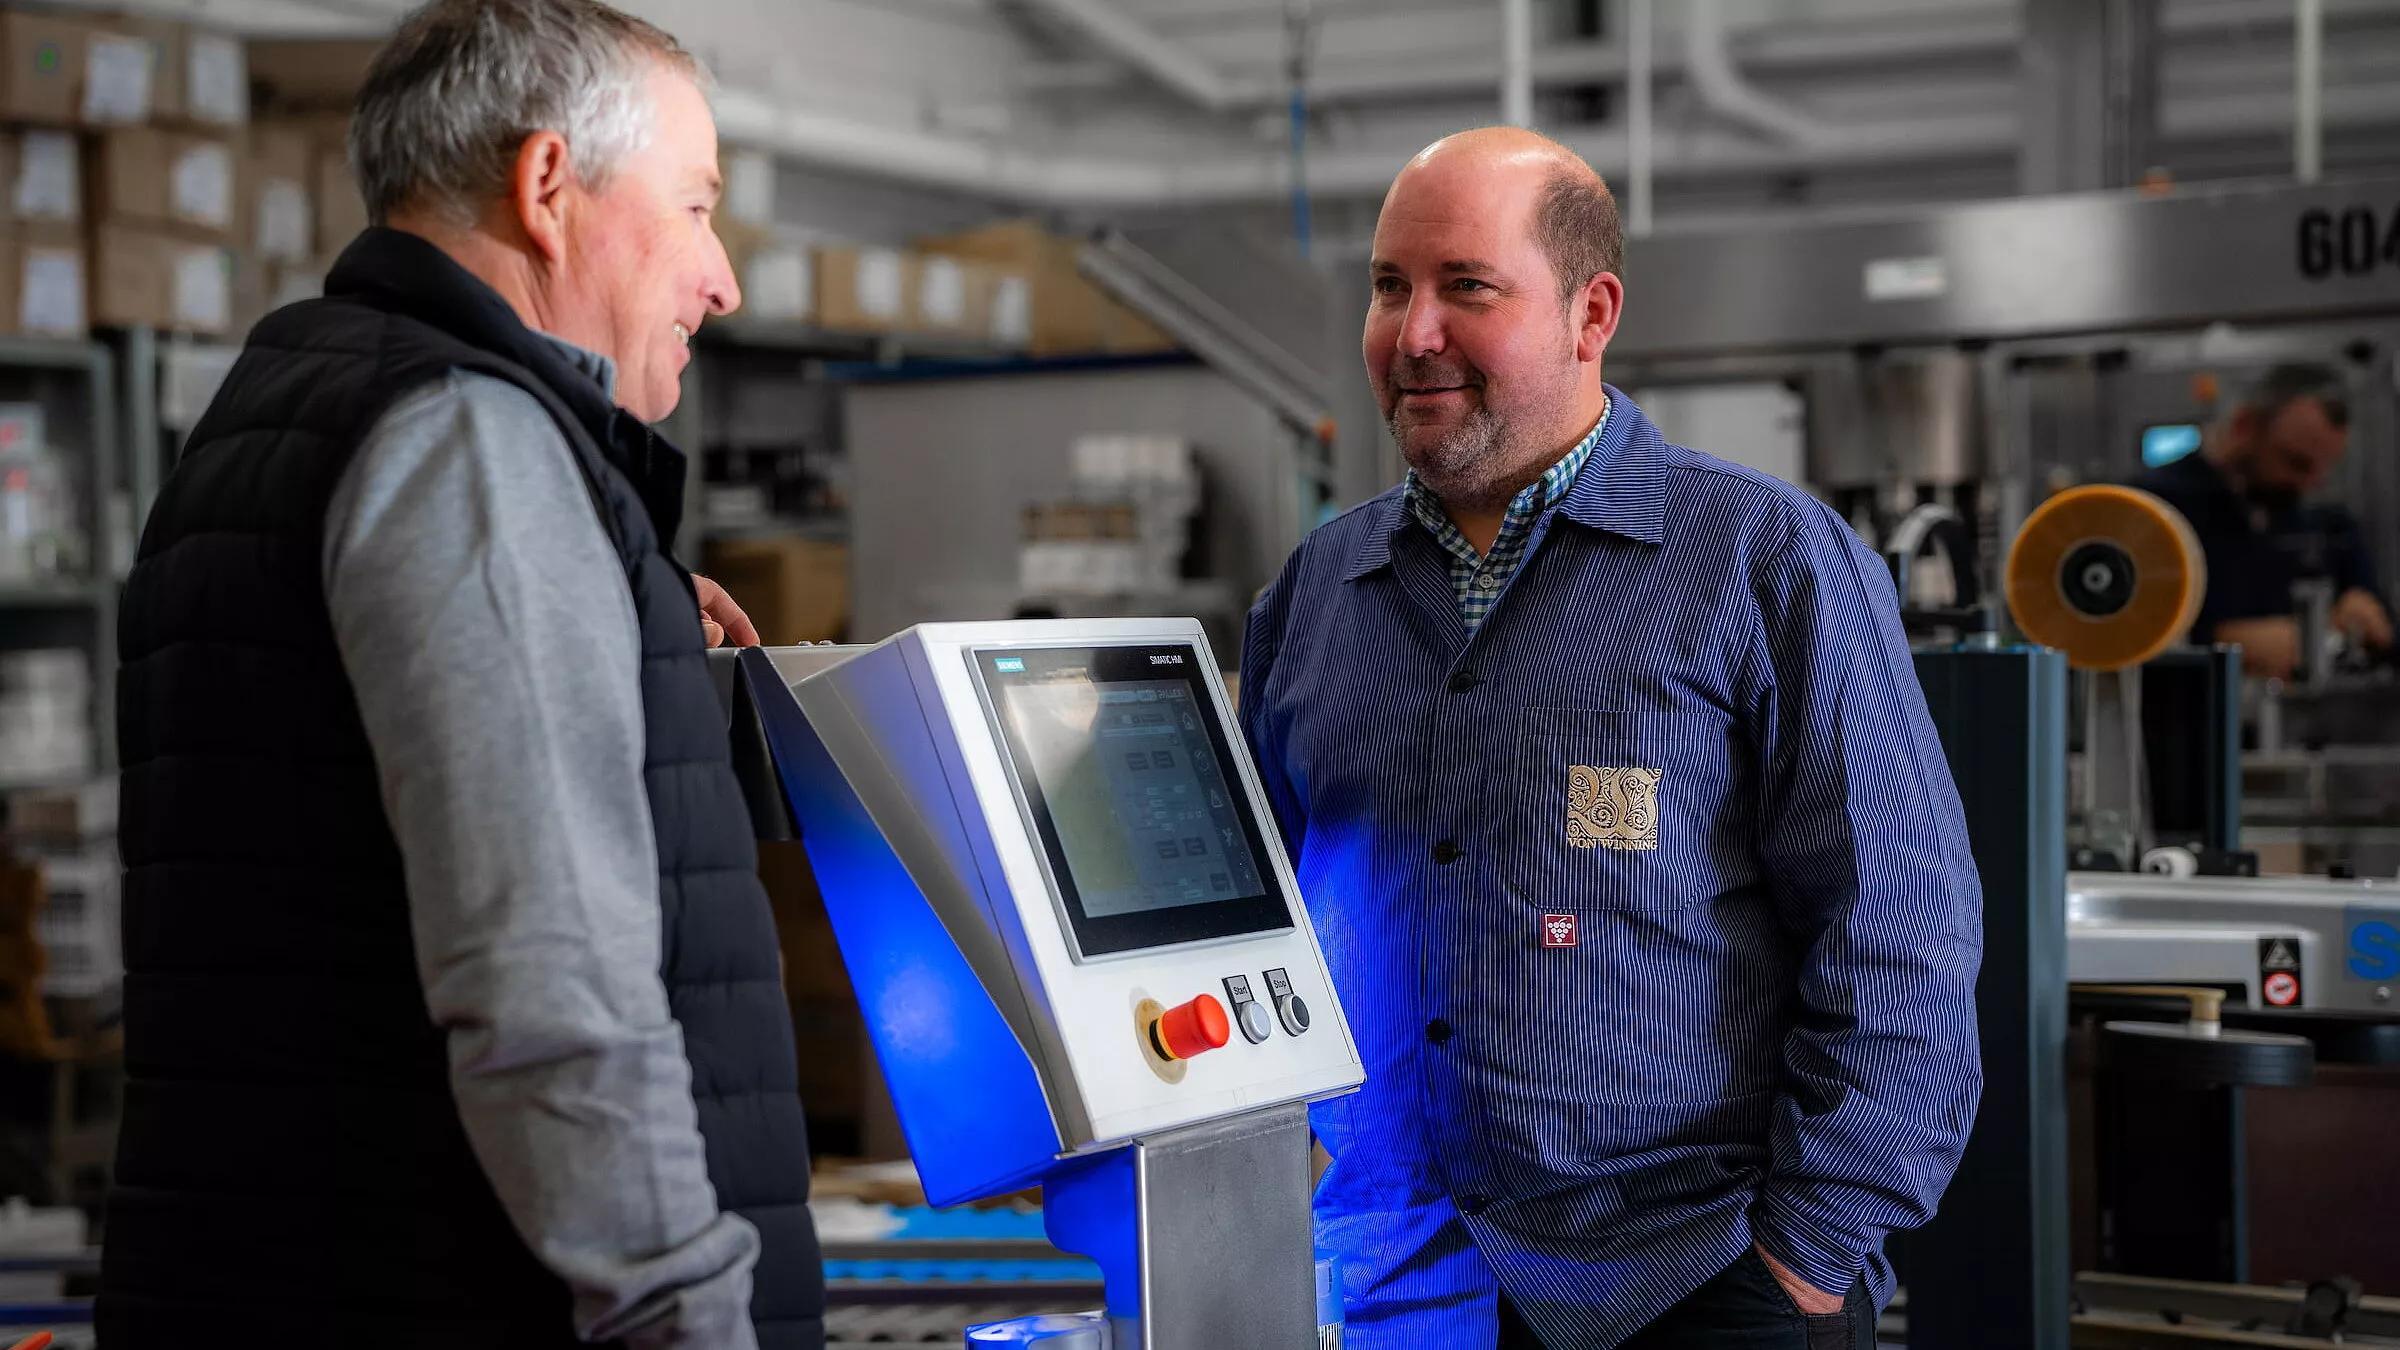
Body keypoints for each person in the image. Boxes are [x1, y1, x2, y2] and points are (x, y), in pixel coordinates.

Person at [100, 2, 822, 1347]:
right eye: (695, 206)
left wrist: (618, 619)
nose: (722, 280)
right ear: (549, 187)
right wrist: (690, 1316)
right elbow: (553, 997)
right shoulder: (468, 449)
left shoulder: (288, 410)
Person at [1239, 128, 1984, 1349]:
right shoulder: (1320, 592)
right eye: (1388, 287)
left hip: (1691, 1282)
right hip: (1395, 1287)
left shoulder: (1762, 560)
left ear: (1591, 314)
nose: (1413, 333)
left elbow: (1898, 932)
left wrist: (1805, 1259)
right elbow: (1249, 924)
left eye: (1466, 286)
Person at [2132, 363, 2391, 678]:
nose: (2310, 483)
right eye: (2296, 462)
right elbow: (2129, 630)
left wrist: (2367, 617)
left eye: (2325, 468)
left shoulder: (2326, 521)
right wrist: (2220, 640)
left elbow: (2380, 624)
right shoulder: (2154, 508)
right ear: (2245, 426)